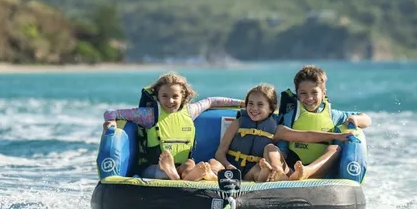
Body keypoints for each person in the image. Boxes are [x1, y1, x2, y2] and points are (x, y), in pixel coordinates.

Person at [102, 72, 242, 181]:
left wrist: (243, 103)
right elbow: (112, 112)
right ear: (157, 96)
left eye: (175, 96)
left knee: (191, 165)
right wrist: (111, 123)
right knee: (163, 172)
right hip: (153, 167)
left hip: (179, 166)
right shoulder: (149, 115)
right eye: (164, 96)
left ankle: (190, 176)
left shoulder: (190, 111)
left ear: (183, 96)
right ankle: (176, 175)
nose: (170, 101)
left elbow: (212, 101)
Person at [211, 83, 354, 182]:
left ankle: (274, 173)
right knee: (212, 163)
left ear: (271, 108)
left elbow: (306, 135)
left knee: (269, 150)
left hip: (253, 170)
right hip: (230, 168)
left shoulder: (277, 129)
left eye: (260, 104)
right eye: (250, 104)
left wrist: (336, 136)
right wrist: (227, 165)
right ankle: (208, 173)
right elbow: (220, 152)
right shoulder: (238, 123)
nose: (254, 108)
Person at [277, 65, 371, 180]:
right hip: (293, 167)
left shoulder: (333, 115)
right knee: (272, 149)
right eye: (303, 93)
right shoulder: (290, 116)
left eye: (314, 93)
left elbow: (366, 119)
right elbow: (282, 144)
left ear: (323, 93)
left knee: (334, 149)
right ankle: (291, 174)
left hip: (323, 171)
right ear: (297, 93)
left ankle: (307, 171)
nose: (309, 98)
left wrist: (356, 119)